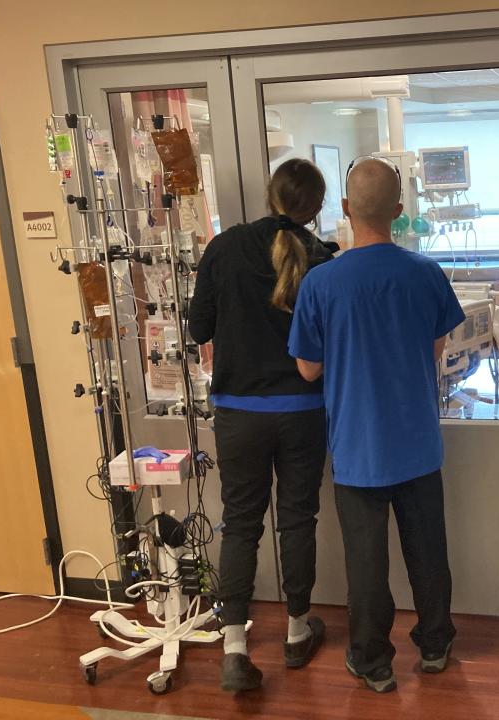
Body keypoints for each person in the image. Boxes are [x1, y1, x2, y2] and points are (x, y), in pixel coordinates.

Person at [288, 157, 464, 694]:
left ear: (344, 209)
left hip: (358, 448)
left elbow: (307, 367)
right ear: (398, 210)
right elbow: (437, 349)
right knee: (427, 551)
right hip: (416, 443)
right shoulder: (425, 272)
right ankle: (435, 646)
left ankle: (372, 661)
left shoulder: (321, 283)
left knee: (367, 563)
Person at [188, 158, 336, 692]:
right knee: (297, 520)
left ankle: (233, 646)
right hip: (301, 412)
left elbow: (198, 326)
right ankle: (297, 633)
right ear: (316, 206)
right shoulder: (321, 258)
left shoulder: (224, 248)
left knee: (241, 523)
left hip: (239, 412)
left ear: (271, 194)